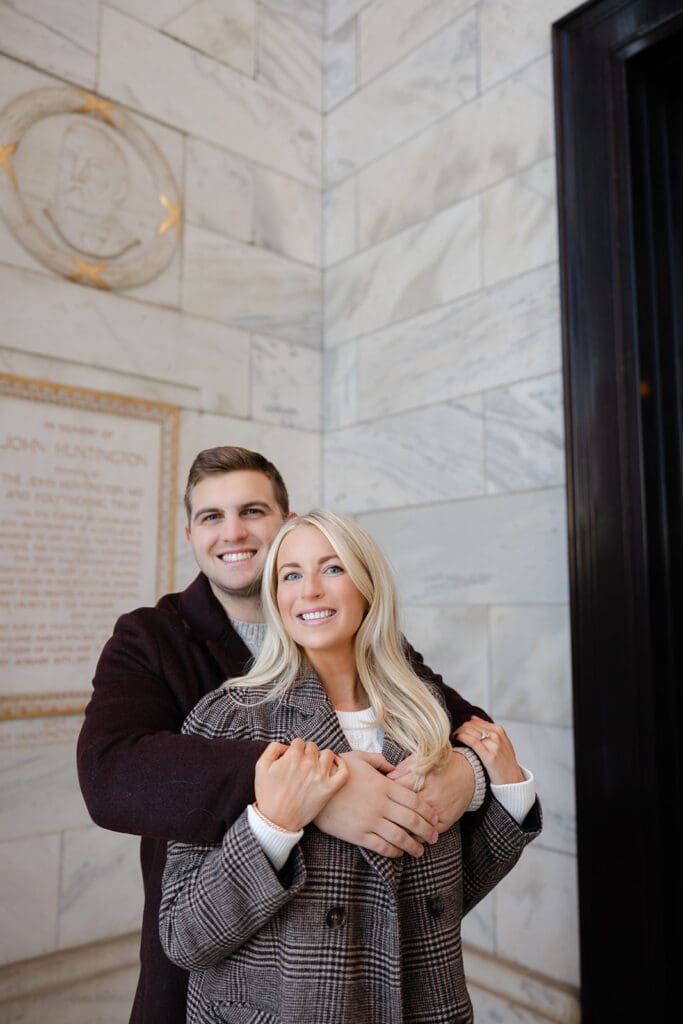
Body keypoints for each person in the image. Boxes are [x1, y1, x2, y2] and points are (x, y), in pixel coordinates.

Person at [77, 446, 502, 1024]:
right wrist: (315, 786)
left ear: (286, 522)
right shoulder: (151, 637)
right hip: (218, 964)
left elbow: (466, 728)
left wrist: (468, 773)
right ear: (190, 534)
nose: (233, 532)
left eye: (252, 510)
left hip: (378, 968)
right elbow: (110, 774)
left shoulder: (365, 640)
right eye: (211, 517)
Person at [160, 510, 540, 1023]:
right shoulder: (229, 717)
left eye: (332, 568)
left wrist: (507, 788)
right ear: (275, 597)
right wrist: (273, 828)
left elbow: (438, 900)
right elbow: (183, 937)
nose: (309, 590)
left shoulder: (424, 710)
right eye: (290, 575)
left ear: (368, 587)